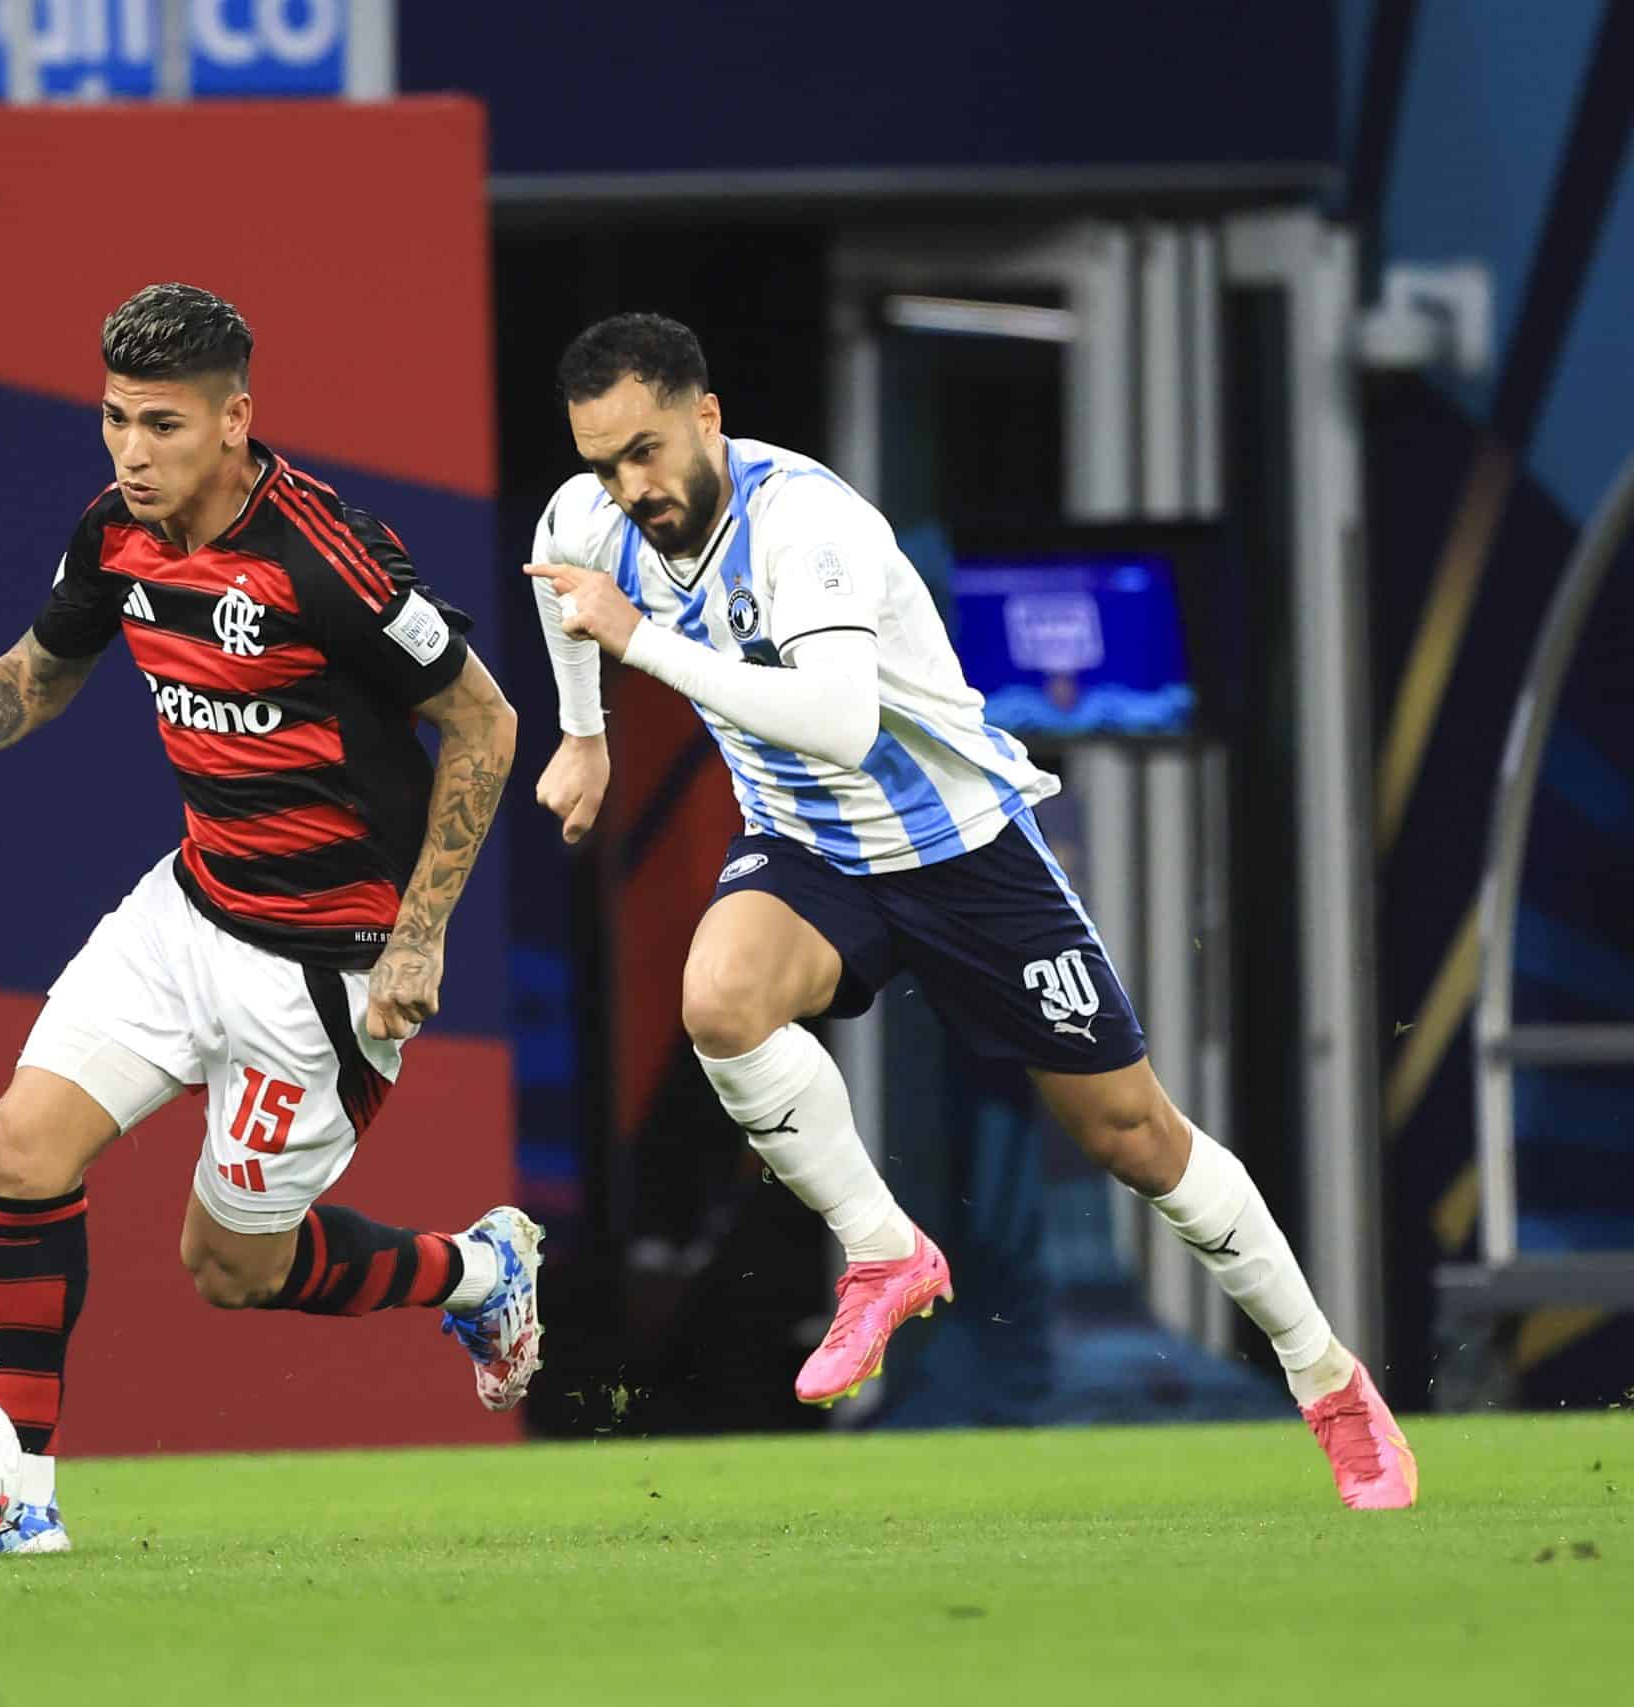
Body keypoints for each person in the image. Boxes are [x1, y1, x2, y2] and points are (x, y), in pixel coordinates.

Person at [520, 312, 1414, 1510]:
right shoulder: (588, 520)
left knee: (1131, 1138)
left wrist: (640, 646)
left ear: (705, 418)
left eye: (643, 452)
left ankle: (1328, 1380)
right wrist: (585, 735)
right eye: (600, 460)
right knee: (717, 1002)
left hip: (963, 854)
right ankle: (885, 1253)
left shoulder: (810, 525)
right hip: (808, 848)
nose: (626, 486)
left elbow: (836, 720)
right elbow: (560, 588)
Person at [0, 283, 542, 1557]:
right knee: (16, 1151)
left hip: (326, 972)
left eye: (161, 425)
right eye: (112, 421)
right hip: (188, 911)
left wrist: (420, 936)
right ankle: (22, 1500)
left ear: (234, 420)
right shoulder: (113, 534)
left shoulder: (328, 553)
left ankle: (476, 1273)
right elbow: (39, 678)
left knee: (230, 1271)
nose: (132, 453)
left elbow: (485, 720)